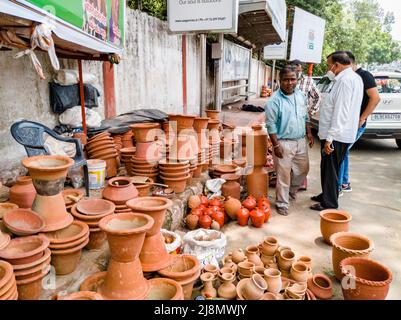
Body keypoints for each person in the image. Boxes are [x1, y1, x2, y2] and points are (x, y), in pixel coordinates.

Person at [310, 51, 363, 211]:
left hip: (337, 135)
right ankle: (327, 194)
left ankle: (329, 203)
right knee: (328, 168)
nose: (329, 69)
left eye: (329, 65)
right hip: (340, 133)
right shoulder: (353, 78)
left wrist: (330, 138)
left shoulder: (346, 81)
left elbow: (341, 111)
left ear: (337, 65)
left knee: (331, 169)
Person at [266, 66, 314, 216]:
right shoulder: (274, 100)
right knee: (283, 174)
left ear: (297, 80)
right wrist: (276, 145)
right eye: (286, 79)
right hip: (283, 142)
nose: (289, 82)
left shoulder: (300, 96)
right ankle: (282, 203)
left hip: (300, 140)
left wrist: (309, 133)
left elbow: (305, 116)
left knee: (303, 170)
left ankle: (291, 191)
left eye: (292, 79)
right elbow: (270, 124)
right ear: (280, 81)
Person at [337, 52, 381, 195]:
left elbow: (375, 98)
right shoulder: (351, 77)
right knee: (345, 152)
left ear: (349, 62)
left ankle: (338, 186)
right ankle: (344, 183)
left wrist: (362, 118)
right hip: (348, 122)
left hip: (356, 123)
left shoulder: (364, 75)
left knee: (341, 152)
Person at [291, 59, 323, 191]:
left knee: (300, 154)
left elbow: (318, 97)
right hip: (287, 121)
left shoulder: (308, 81)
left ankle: (301, 181)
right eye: (293, 70)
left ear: (301, 69)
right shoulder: (287, 79)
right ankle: (290, 181)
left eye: (297, 70)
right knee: (288, 153)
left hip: (302, 121)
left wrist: (311, 111)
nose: (296, 72)